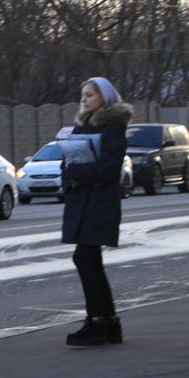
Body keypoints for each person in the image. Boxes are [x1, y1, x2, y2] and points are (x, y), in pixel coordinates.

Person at [61, 77, 132, 347]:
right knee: (89, 260)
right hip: (82, 202)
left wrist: (75, 173)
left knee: (84, 258)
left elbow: (107, 169)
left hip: (100, 202)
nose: (85, 99)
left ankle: (98, 322)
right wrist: (68, 174)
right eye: (83, 95)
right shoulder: (81, 127)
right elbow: (68, 161)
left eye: (90, 94)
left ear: (105, 97)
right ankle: (108, 322)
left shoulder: (113, 129)